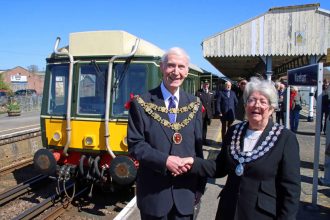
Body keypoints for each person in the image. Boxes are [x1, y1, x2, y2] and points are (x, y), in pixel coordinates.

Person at [179, 77, 301, 219]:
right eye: (251, 100)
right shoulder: (234, 131)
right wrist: (192, 162)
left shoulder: (285, 138)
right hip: (228, 210)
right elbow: (219, 167)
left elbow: (291, 191)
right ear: (245, 105)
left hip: (260, 215)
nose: (256, 105)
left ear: (272, 108)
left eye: (263, 101)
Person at [128, 47, 206, 219]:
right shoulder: (141, 103)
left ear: (187, 71)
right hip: (154, 195)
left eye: (181, 67)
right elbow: (135, 145)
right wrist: (165, 161)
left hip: (185, 193)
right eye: (171, 66)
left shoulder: (195, 104)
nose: (176, 72)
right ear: (161, 68)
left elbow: (198, 148)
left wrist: (200, 185)